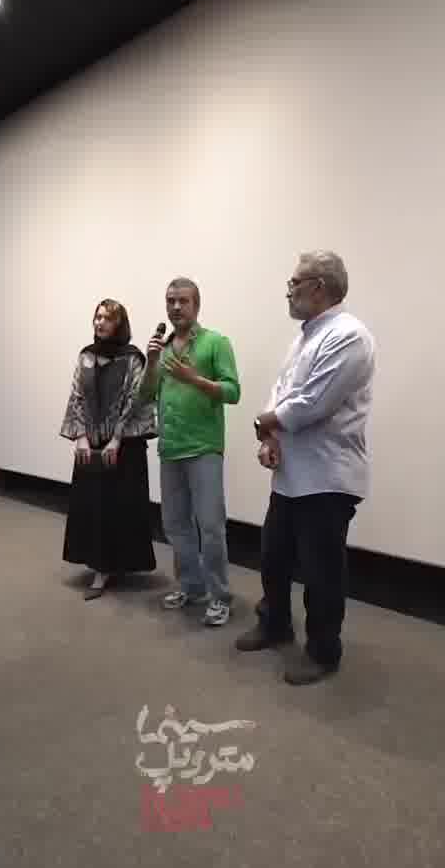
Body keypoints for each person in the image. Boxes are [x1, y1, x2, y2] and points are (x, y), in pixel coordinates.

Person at [235, 251, 375, 684]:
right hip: (292, 475)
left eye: (294, 283)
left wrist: (264, 424)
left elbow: (314, 403)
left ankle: (323, 651)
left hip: (327, 477)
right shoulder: (306, 337)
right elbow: (282, 392)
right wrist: (270, 437)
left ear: (319, 287)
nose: (288, 290)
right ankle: (275, 623)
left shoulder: (349, 335)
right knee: (273, 557)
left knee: (321, 572)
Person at [142, 278, 240, 626]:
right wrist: (151, 361)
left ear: (197, 305)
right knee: (175, 524)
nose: (176, 307)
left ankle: (220, 596)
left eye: (183, 301)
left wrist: (193, 378)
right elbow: (144, 395)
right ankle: (191, 586)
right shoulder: (163, 348)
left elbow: (232, 392)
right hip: (170, 448)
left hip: (204, 448)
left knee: (210, 526)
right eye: (170, 301)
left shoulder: (216, 343)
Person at [60, 299, 157, 600]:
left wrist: (116, 439)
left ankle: (114, 565)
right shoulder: (86, 356)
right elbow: (77, 396)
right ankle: (99, 566)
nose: (100, 322)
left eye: (107, 318)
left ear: (119, 324)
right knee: (93, 505)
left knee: (118, 506)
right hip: (91, 443)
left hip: (124, 446)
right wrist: (80, 437)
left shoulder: (132, 358)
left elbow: (135, 399)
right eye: (97, 317)